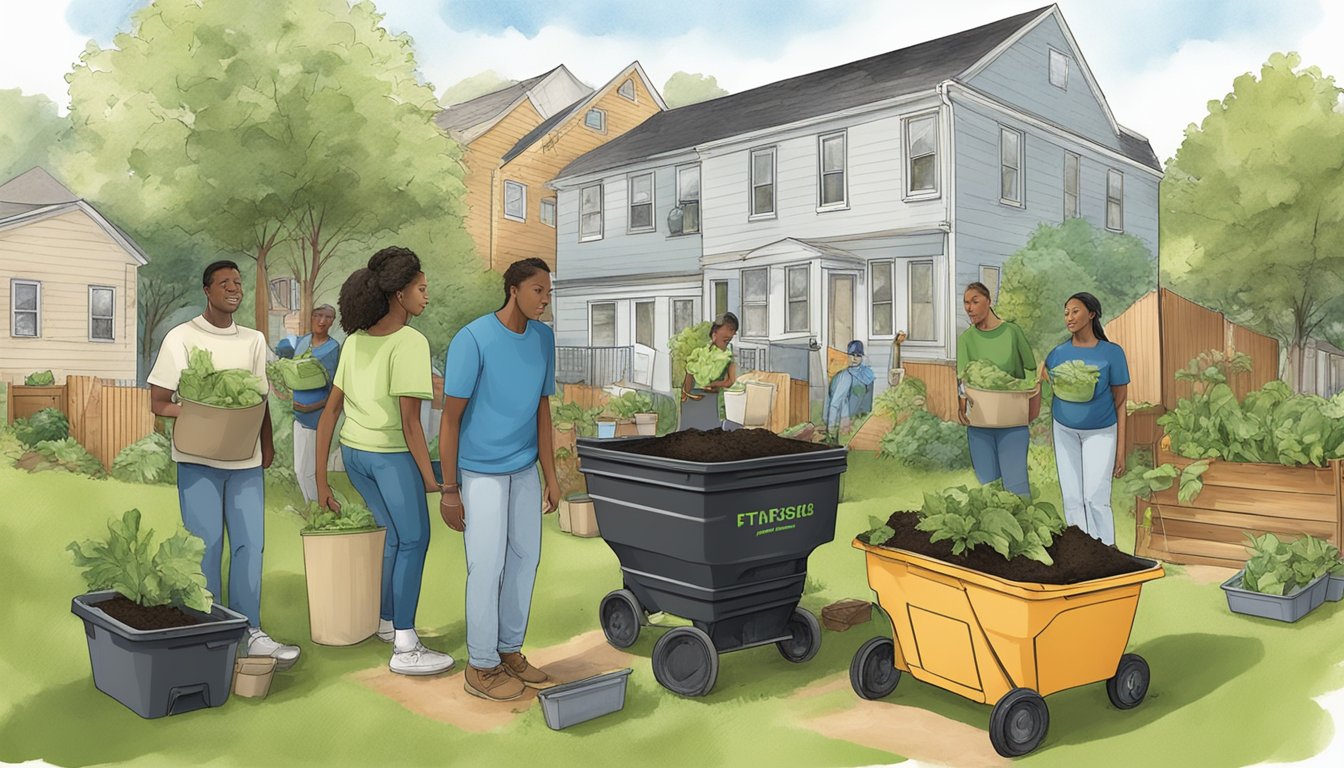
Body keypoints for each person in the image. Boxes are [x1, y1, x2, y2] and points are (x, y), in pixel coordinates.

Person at [147, 260, 300, 669]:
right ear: (207, 290)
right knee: (206, 545)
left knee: (251, 544)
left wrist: (266, 445)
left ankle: (251, 631)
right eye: (224, 283)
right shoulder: (181, 337)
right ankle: (209, 631)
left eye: (238, 283)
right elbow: (159, 401)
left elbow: (260, 399)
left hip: (245, 459)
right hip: (198, 459)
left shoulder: (252, 340)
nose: (233, 288)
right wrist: (202, 412)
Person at [314, 247, 453, 676]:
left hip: (356, 456)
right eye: (421, 289)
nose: (426, 296)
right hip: (390, 457)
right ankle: (407, 646)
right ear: (398, 293)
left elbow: (330, 412)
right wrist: (433, 480)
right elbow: (411, 424)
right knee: (414, 540)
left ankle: (388, 623)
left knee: (393, 538)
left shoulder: (354, 341)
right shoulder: (410, 342)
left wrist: (321, 479)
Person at [439, 257, 560, 702]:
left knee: (526, 559)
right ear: (513, 289)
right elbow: (450, 420)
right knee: (486, 565)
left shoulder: (544, 339)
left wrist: (551, 474)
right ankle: (481, 664)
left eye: (549, 292)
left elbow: (543, 410)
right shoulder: (473, 339)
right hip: (480, 473)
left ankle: (509, 650)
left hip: (524, 468)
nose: (545, 300)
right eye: (537, 291)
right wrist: (449, 489)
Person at [1044, 292, 1129, 546]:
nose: (1069, 317)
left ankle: (1107, 551)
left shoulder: (1112, 353)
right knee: (1071, 498)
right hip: (1064, 430)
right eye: (1066, 312)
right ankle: (1080, 552)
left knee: (1095, 497)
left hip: (1101, 431)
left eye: (1075, 311)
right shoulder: (1057, 353)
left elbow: (1121, 401)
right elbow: (1045, 378)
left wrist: (1121, 451)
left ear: (1092, 314)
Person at [955, 282, 1039, 497]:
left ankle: (1022, 528)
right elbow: (962, 380)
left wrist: (1025, 395)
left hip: (1012, 422)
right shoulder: (966, 339)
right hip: (980, 424)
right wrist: (961, 405)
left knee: (1016, 485)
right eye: (966, 302)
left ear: (989, 302)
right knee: (988, 487)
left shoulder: (1012, 332)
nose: (969, 307)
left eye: (975, 301)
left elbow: (1030, 370)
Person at [291, 305, 341, 503]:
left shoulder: (333, 348)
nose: (322, 321)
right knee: (299, 469)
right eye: (318, 315)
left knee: (311, 470)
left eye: (328, 317)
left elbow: (335, 388)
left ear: (332, 321)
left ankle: (318, 506)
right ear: (311, 317)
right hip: (298, 415)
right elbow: (295, 373)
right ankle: (311, 505)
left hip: (318, 418)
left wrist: (312, 407)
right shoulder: (303, 342)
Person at [680, 313, 739, 431]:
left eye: (728, 341)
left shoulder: (729, 357)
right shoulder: (699, 353)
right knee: (688, 432)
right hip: (694, 399)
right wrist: (685, 393)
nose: (726, 343)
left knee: (710, 432)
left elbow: (730, 381)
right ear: (714, 335)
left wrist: (714, 385)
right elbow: (689, 373)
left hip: (713, 399)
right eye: (724, 340)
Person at [826, 340, 875, 443]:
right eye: (852, 354)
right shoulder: (845, 376)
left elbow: (869, 399)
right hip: (846, 419)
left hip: (862, 418)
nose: (854, 358)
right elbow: (835, 404)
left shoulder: (868, 374)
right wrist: (831, 427)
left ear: (862, 357)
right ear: (848, 355)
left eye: (858, 355)